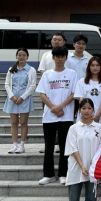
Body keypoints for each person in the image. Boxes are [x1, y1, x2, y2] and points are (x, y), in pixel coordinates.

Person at [36, 46, 78, 186]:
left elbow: (74, 93)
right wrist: (53, 108)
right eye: (57, 56)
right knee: (49, 146)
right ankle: (48, 174)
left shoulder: (72, 73)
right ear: (53, 58)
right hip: (49, 116)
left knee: (65, 146)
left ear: (66, 58)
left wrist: (60, 107)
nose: (60, 59)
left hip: (66, 116)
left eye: (62, 56)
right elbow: (42, 94)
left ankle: (63, 174)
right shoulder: (47, 74)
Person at [66, 98, 101, 201]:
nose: (86, 111)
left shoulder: (99, 127)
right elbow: (73, 148)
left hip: (93, 170)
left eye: (89, 108)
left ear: (93, 110)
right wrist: (82, 165)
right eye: (84, 108)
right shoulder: (74, 128)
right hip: (76, 169)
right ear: (79, 110)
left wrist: (95, 162)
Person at [3, 48, 37, 154]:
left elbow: (32, 86)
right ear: (16, 56)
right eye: (19, 55)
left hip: (25, 99)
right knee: (13, 123)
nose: (21, 57)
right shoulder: (11, 69)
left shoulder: (31, 70)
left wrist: (22, 97)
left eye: (24, 55)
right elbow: (7, 84)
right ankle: (14, 144)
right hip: (12, 99)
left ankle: (22, 145)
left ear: (27, 57)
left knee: (23, 122)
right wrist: (12, 96)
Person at [74, 57, 101, 127]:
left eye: (97, 65)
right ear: (89, 67)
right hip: (85, 115)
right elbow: (81, 100)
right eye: (92, 65)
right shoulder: (82, 81)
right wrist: (86, 114)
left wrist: (97, 115)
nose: (95, 68)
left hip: (100, 116)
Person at [66, 35, 90, 119]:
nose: (81, 46)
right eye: (78, 43)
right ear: (74, 44)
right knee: (69, 116)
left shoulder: (89, 60)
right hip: (69, 93)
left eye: (83, 44)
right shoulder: (67, 58)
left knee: (84, 117)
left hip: (84, 93)